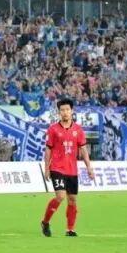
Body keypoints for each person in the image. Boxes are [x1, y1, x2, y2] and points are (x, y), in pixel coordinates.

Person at [41, 98, 95, 237]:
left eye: (67, 110)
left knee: (72, 199)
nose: (65, 112)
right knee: (60, 196)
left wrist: (89, 167)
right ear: (59, 112)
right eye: (62, 110)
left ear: (72, 111)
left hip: (72, 170)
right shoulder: (53, 129)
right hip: (57, 168)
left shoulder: (78, 130)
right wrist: (46, 168)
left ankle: (70, 229)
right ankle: (45, 222)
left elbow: (83, 150)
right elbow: (48, 150)